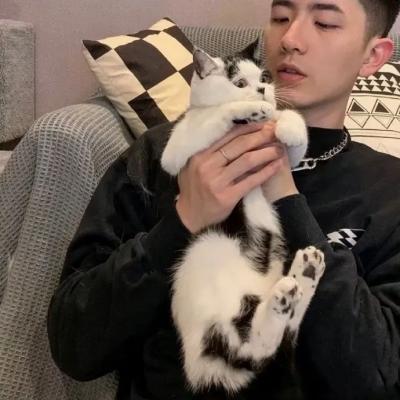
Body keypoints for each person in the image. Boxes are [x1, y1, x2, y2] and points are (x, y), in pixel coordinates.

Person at [47, 0, 400, 399]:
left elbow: (377, 381)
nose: (290, 39)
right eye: (281, 18)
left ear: (373, 55)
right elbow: (74, 345)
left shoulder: (389, 191)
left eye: (324, 23)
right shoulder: (166, 153)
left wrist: (286, 199)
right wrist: (181, 223)